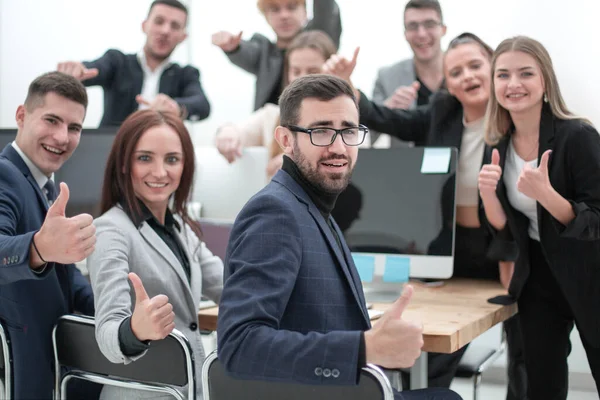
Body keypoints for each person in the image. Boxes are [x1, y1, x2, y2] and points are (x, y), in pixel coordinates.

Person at [217, 74, 461, 400]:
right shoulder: (275, 213)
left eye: (348, 131)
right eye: (320, 131)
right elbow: (239, 346)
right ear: (286, 140)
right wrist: (363, 348)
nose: (338, 147)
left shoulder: (313, 206)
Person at [323, 33, 527, 397]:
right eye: (456, 71)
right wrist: (347, 85)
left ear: (494, 65)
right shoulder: (442, 110)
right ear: (446, 82)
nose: (467, 76)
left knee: (524, 348)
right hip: (452, 245)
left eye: (475, 65)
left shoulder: (516, 118)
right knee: (435, 347)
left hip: (505, 246)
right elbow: (387, 118)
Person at [478, 35, 600, 400]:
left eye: (525, 73)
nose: (513, 84)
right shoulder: (496, 143)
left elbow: (596, 218)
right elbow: (507, 230)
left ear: (545, 80)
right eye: (503, 75)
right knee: (540, 388)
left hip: (592, 273)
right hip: (538, 279)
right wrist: (488, 196)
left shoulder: (578, 136)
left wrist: (547, 196)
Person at [86, 109, 223, 399]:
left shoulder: (180, 227)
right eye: (145, 158)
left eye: (172, 159)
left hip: (189, 388)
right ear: (124, 165)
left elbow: (227, 284)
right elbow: (108, 334)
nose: (160, 172)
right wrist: (135, 330)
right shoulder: (110, 230)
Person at [0, 72, 97, 399]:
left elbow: (66, 279)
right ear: (21, 116)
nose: (62, 137)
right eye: (52, 120)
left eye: (74, 128)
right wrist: (39, 247)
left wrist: (116, 307)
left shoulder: (46, 185)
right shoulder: (4, 175)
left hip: (53, 363)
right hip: (20, 367)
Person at [57, 0, 210, 127]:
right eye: (159, 21)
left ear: (183, 37)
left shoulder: (186, 74)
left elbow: (202, 105)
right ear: (145, 26)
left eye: (175, 26)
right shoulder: (117, 61)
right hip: (112, 151)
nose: (165, 31)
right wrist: (76, 71)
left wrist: (176, 108)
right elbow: (95, 69)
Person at [215, 30, 337, 178]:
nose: (303, 78)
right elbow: (239, 131)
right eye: (296, 71)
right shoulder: (271, 115)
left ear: (332, 71)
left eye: (313, 71)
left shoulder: (346, 121)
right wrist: (227, 132)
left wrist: (298, 162)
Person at [211, 0, 342, 110]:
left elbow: (326, 13)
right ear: (266, 16)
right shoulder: (263, 51)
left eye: (292, 7)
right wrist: (233, 48)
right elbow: (247, 51)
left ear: (305, 12)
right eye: (275, 10)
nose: (284, 15)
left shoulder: (321, 40)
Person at [371, 0, 446, 147]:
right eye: (413, 26)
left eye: (429, 24)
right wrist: (386, 110)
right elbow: (365, 136)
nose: (421, 34)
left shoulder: (464, 74)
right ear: (405, 34)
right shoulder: (387, 78)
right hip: (407, 167)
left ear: (443, 29)